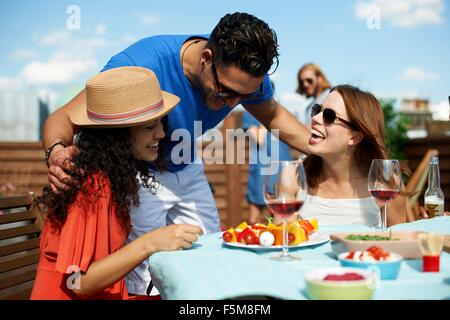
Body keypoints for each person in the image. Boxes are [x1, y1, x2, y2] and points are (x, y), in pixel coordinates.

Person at [41, 12, 311, 295]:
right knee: (144, 275)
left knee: (210, 253)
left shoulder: (241, 81)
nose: (233, 104)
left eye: (244, 97)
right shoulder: (138, 68)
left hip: (185, 164)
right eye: (226, 92)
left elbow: (274, 115)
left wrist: (324, 146)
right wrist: (57, 152)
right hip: (136, 171)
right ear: (206, 59)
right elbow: (64, 118)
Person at [31, 67, 203, 300]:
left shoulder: (111, 177)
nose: (162, 134)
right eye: (150, 127)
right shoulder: (91, 184)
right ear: (118, 136)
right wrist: (151, 242)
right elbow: (77, 282)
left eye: (161, 123)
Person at [299, 85, 388, 227]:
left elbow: (399, 244)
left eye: (329, 116)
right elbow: (282, 243)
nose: (315, 118)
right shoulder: (295, 178)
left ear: (355, 137)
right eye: (317, 110)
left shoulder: (385, 188)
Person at [242, 82, 293, 224]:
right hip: (261, 171)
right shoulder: (249, 116)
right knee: (255, 218)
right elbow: (259, 139)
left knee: (280, 217)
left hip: (282, 168)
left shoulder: (281, 114)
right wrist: (267, 116)